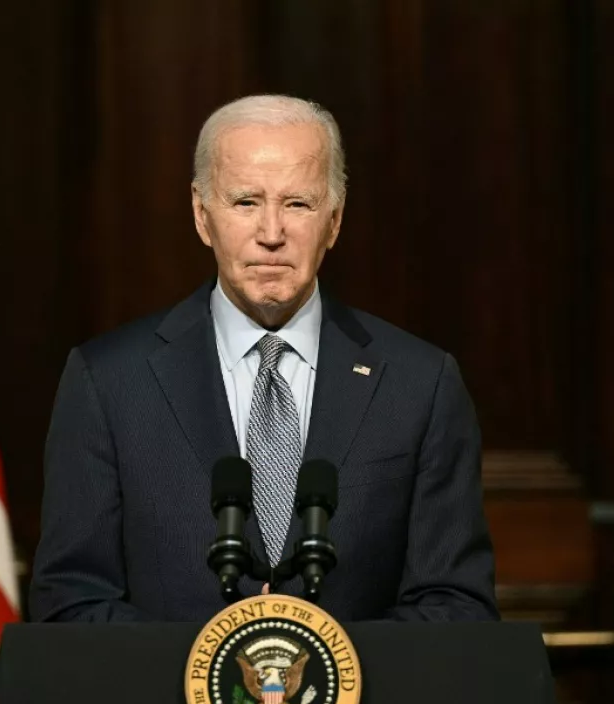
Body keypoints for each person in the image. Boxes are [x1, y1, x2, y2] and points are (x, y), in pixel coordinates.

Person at [29, 94, 498, 624]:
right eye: (245, 202)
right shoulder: (109, 382)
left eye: (297, 204)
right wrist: (216, 661)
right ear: (202, 215)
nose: (271, 234)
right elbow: (71, 603)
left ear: (335, 220)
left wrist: (322, 660)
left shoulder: (419, 384)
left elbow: (457, 606)